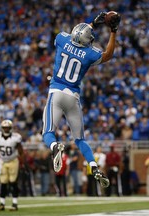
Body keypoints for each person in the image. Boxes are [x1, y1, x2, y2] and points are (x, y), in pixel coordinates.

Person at [42, 11, 121, 188]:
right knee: (79, 139)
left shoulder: (61, 39)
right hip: (73, 97)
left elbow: (77, 34)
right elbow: (108, 54)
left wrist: (92, 23)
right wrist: (113, 31)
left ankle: (55, 147)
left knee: (48, 132)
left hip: (56, 91)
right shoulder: (89, 54)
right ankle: (93, 165)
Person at [0, 119, 25, 211]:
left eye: (7, 128)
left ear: (10, 128)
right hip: (3, 161)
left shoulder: (16, 137)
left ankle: (15, 203)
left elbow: (21, 151)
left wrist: (23, 163)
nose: (6, 129)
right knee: (3, 183)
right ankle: (2, 203)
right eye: (4, 128)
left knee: (13, 182)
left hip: (13, 161)